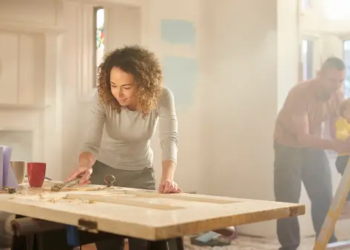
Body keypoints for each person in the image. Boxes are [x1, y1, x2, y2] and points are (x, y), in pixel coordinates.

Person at [66, 45, 182, 250]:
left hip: (141, 175)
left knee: (146, 243)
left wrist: (168, 179)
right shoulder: (103, 98)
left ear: (144, 84)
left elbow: (169, 139)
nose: (118, 93)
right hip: (104, 176)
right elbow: (91, 143)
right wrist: (85, 165)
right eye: (113, 85)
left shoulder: (162, 97)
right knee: (109, 244)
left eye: (126, 87)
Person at [273, 57, 350, 250]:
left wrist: (343, 142)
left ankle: (327, 243)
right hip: (288, 146)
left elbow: (335, 130)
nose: (336, 85)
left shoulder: (337, 95)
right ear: (319, 75)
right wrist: (334, 145)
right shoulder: (300, 93)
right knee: (288, 201)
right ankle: (289, 246)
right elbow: (303, 137)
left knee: (324, 196)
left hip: (313, 147)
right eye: (333, 80)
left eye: (341, 81)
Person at [335, 98, 350, 201]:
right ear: (344, 112)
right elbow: (340, 134)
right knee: (347, 183)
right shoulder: (342, 122)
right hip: (344, 159)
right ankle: (347, 200)